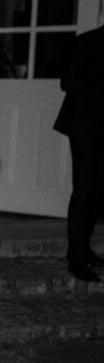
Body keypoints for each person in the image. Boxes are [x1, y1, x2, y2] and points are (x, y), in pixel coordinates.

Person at [53, 20, 104, 282]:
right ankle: (77, 257)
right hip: (84, 127)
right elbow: (68, 82)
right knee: (84, 189)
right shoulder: (87, 41)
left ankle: (82, 247)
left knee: (98, 192)